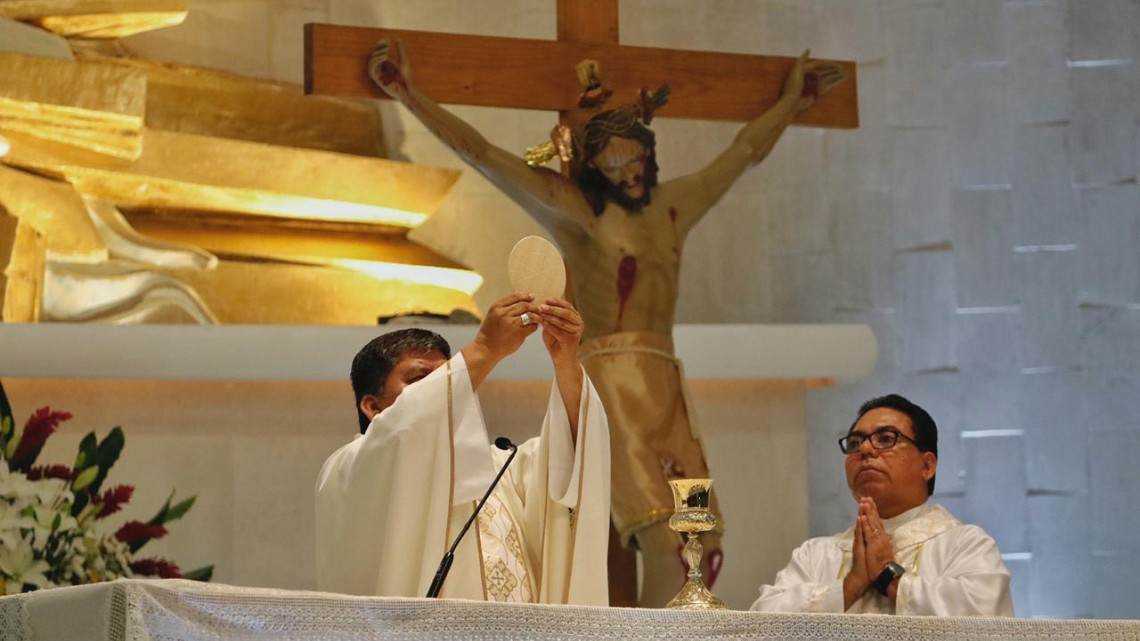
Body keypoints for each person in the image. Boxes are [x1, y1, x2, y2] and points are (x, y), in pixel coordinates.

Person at [367, 40, 843, 607]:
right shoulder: (579, 214)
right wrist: (409, 94)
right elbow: (482, 154)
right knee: (659, 535)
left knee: (702, 538)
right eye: (613, 164)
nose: (628, 173)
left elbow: (742, 154)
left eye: (635, 159)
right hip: (611, 381)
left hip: (665, 384)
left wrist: (793, 103)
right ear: (591, 167)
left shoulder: (674, 205)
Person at [315, 293, 611, 604]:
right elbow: (403, 429)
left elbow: (570, 460)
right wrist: (484, 349)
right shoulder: (349, 468)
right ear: (373, 407)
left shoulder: (499, 465)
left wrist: (566, 361)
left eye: (447, 376)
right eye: (421, 380)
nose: (448, 388)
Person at [751, 394, 1014, 616]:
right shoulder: (815, 555)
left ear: (927, 465)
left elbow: (984, 620)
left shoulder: (966, 546)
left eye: (886, 438)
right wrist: (850, 586)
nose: (865, 449)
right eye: (855, 442)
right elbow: (760, 624)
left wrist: (889, 577)